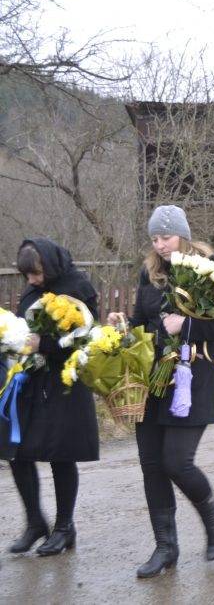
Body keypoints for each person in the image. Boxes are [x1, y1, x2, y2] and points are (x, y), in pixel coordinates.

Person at [122, 206, 214, 578]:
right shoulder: (150, 272)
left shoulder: (208, 267)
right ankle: (165, 547)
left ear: (182, 235)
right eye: (154, 239)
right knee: (152, 466)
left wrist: (186, 324)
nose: (160, 245)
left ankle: (213, 518)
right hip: (152, 380)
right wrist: (124, 331)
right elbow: (141, 319)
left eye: (166, 237)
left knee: (177, 461)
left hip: (191, 379)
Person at [1, 239, 98, 557]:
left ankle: (64, 527)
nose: (32, 281)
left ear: (50, 267)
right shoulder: (32, 290)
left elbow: (87, 337)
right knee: (18, 451)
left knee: (61, 454)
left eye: (36, 275)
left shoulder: (77, 286)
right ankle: (35, 523)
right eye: (27, 276)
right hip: (31, 381)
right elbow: (22, 327)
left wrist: (45, 345)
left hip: (65, 380)